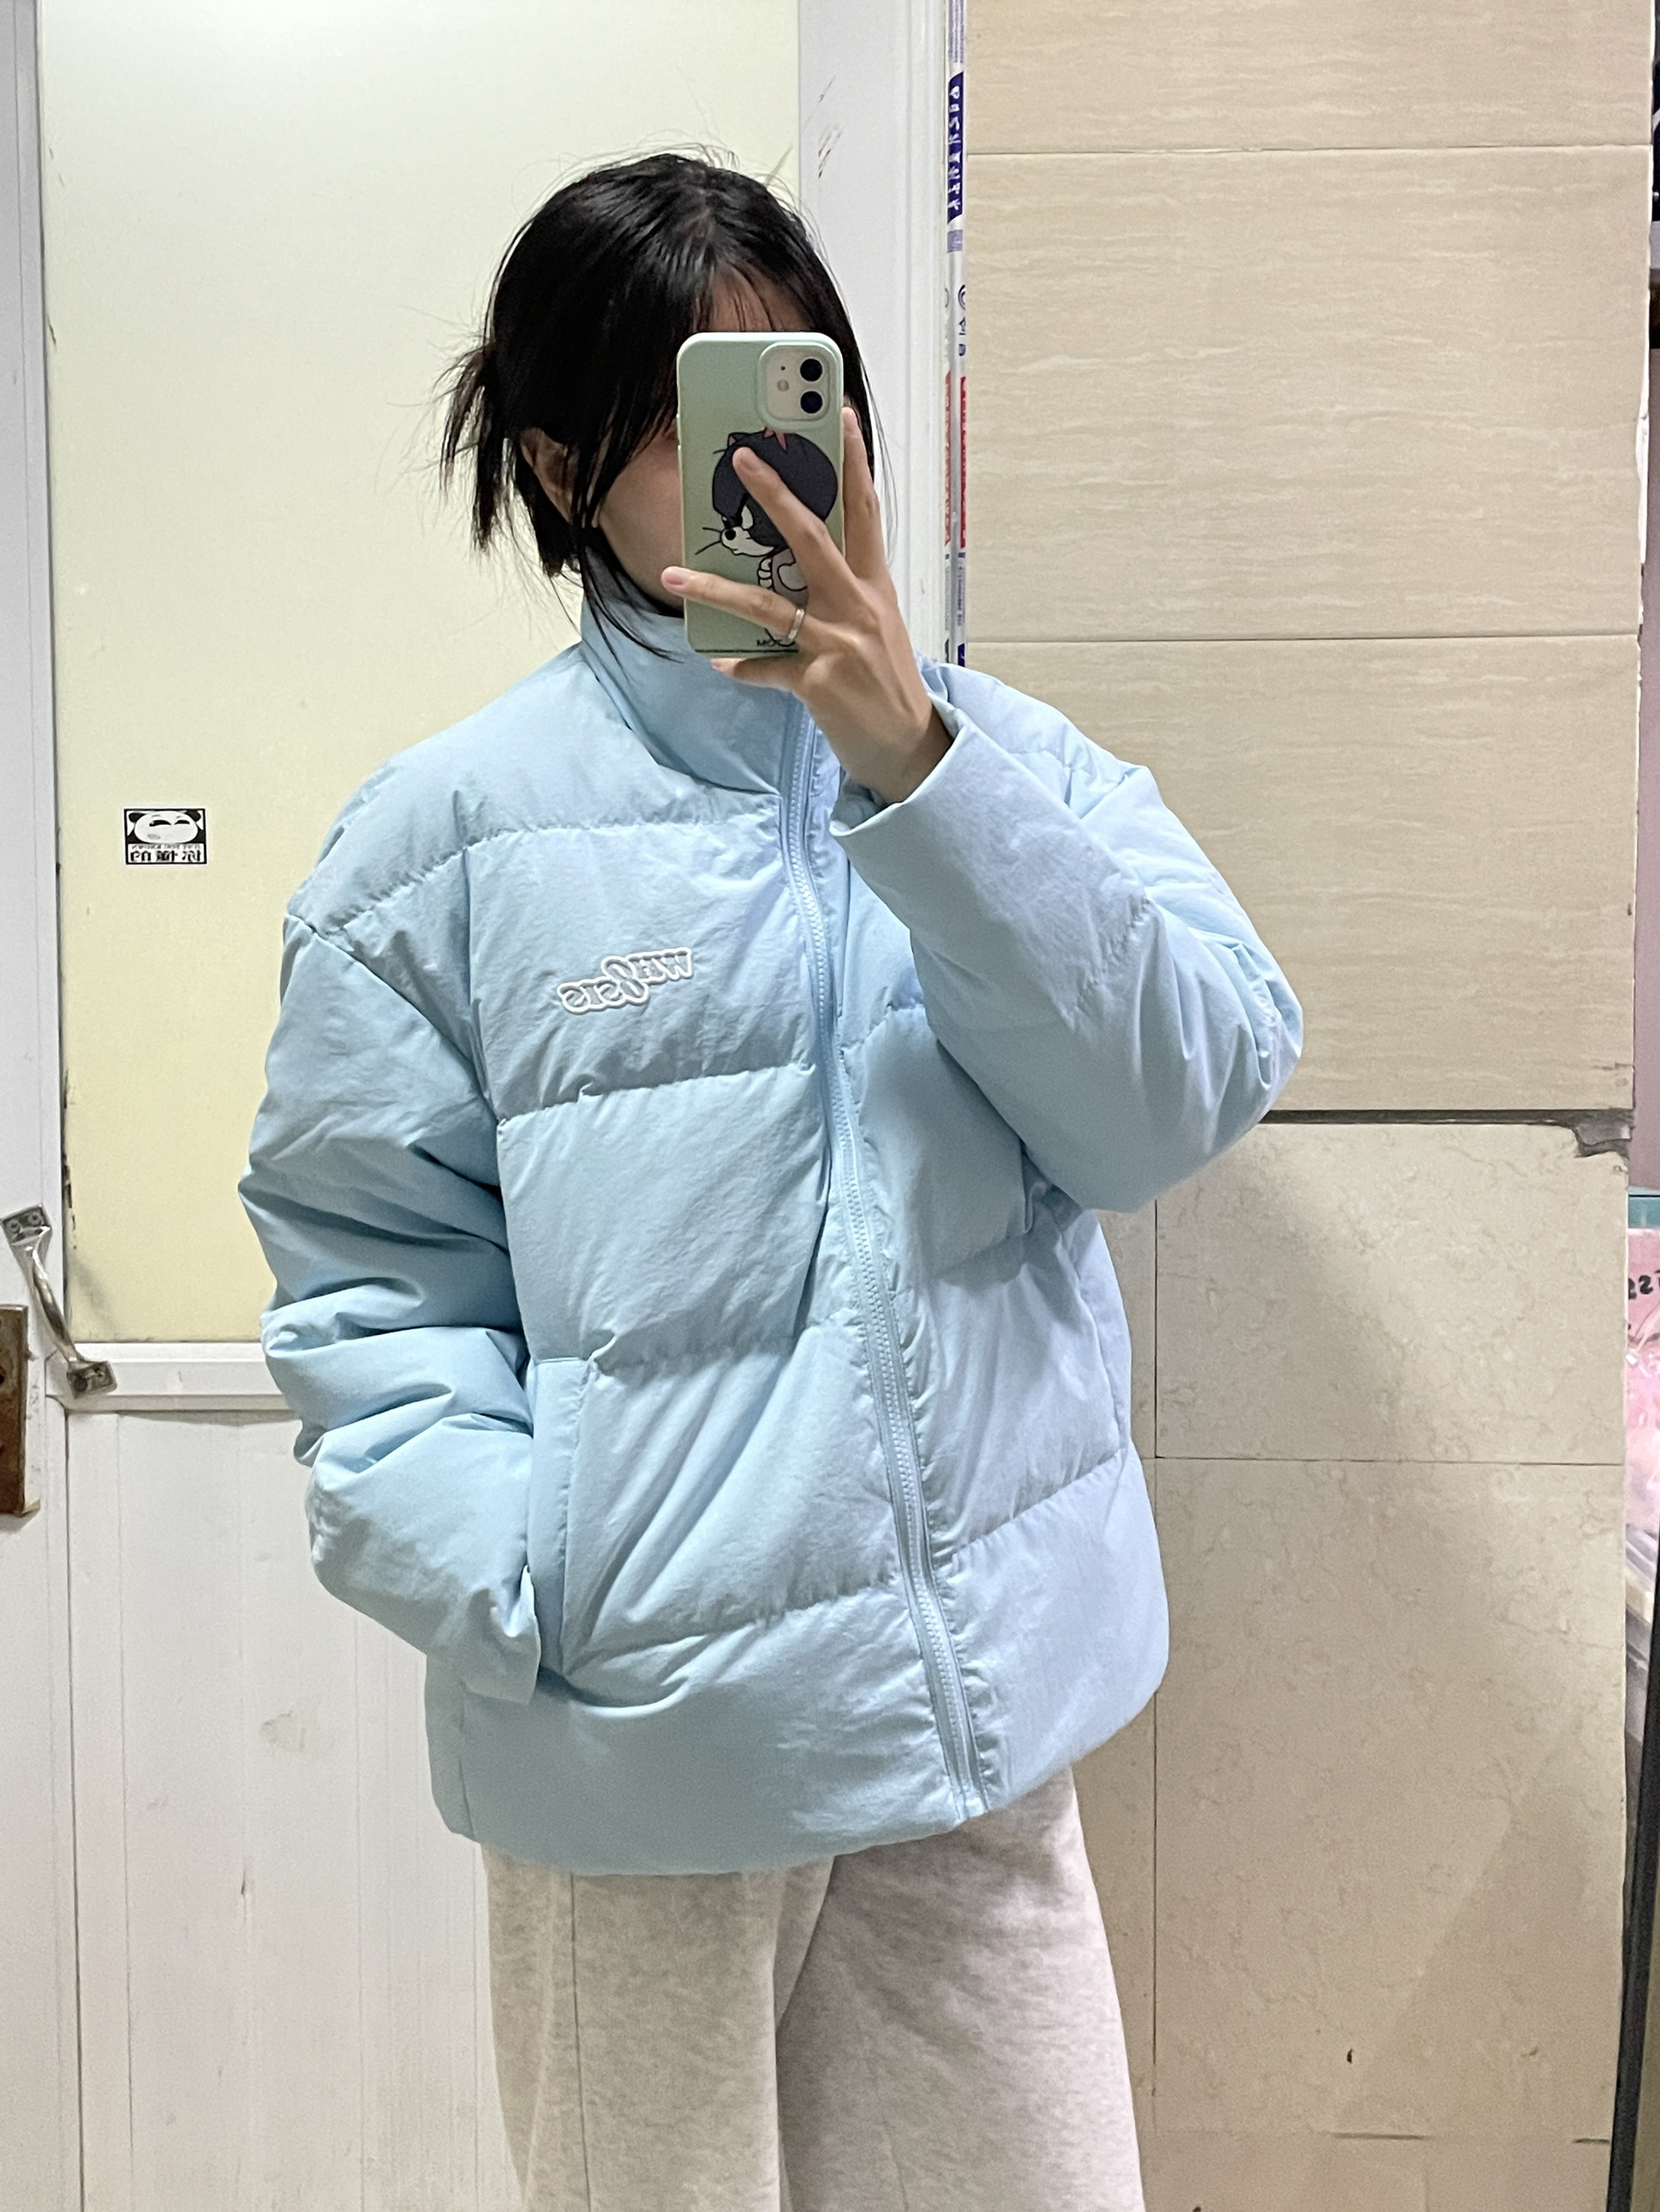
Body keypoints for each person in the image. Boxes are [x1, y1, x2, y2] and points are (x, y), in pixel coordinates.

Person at [240, 152, 1301, 2212]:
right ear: (562, 466)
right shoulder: (439, 844)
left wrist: (916, 770)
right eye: (692, 414)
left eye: (799, 389)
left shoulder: (1003, 766)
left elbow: (1173, 1103)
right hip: (643, 1763)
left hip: (974, 1740)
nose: (773, 467)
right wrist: (547, 1586)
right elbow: (365, 1287)